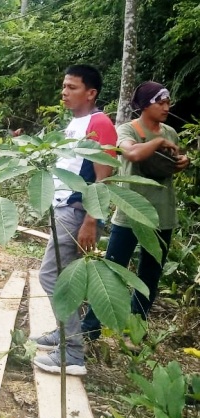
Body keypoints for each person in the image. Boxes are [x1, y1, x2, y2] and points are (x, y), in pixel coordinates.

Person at [81, 81, 190, 339]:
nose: (166, 107)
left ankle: (135, 331)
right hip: (130, 214)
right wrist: (159, 141)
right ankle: (91, 328)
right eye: (160, 102)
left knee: (149, 276)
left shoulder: (171, 132)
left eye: (167, 102)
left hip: (162, 216)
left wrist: (183, 160)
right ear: (143, 105)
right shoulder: (128, 129)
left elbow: (174, 158)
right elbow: (132, 154)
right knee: (112, 271)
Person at [31, 65, 118, 376]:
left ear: (90, 93)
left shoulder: (100, 122)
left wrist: (92, 220)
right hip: (64, 208)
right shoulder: (75, 123)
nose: (64, 92)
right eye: (64, 86)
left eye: (72, 87)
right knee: (64, 277)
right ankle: (64, 333)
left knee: (50, 276)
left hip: (78, 210)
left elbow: (102, 176)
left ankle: (73, 353)